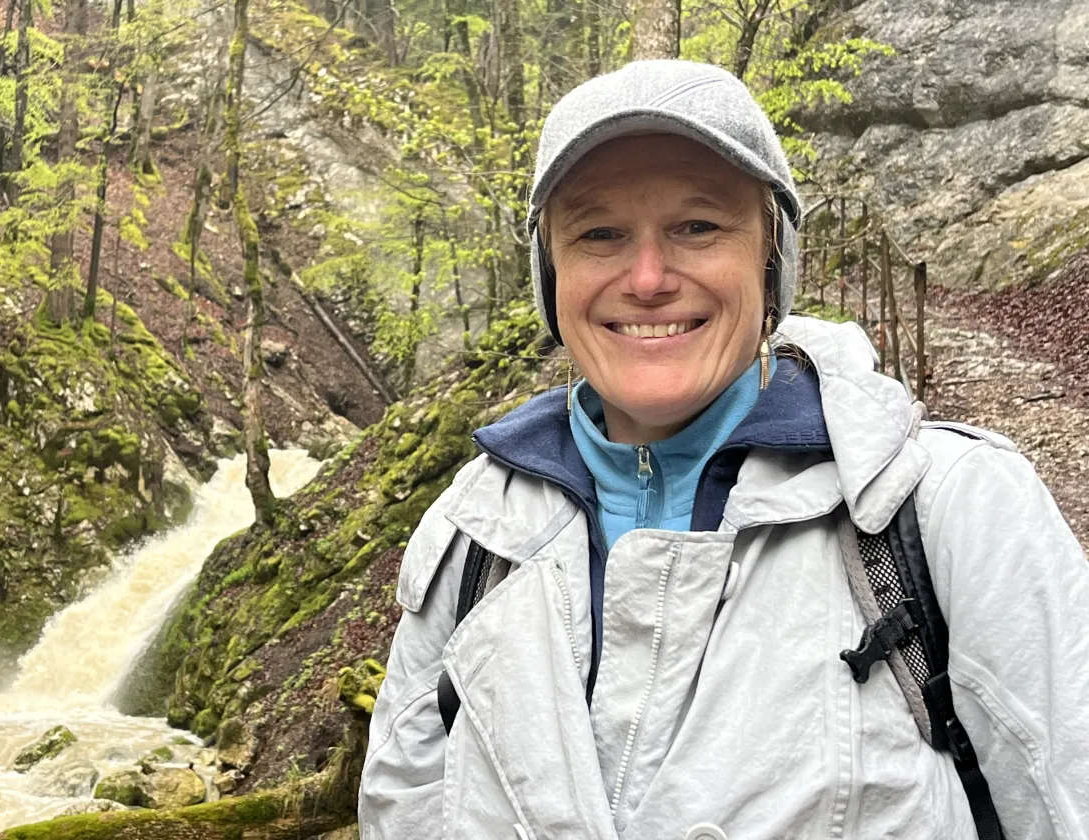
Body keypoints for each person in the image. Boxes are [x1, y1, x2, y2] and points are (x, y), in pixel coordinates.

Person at [358, 59, 1089, 840]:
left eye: (697, 227)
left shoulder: (950, 509)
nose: (646, 278)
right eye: (599, 233)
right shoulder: (475, 533)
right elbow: (402, 808)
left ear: (771, 261)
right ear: (551, 274)